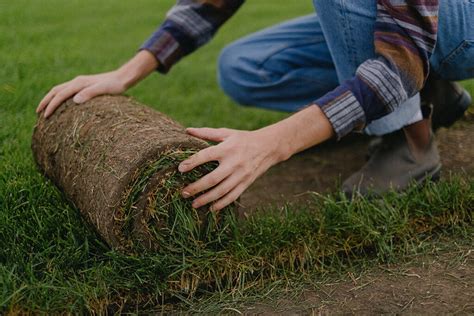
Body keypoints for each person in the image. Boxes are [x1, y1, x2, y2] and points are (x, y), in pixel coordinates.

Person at [36, 0, 473, 211]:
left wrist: (272, 144)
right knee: (245, 66)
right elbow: (209, 4)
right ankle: (427, 93)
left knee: (398, 67)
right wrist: (126, 72)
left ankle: (409, 141)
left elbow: (400, 61)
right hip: (402, 22)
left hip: (456, 24)